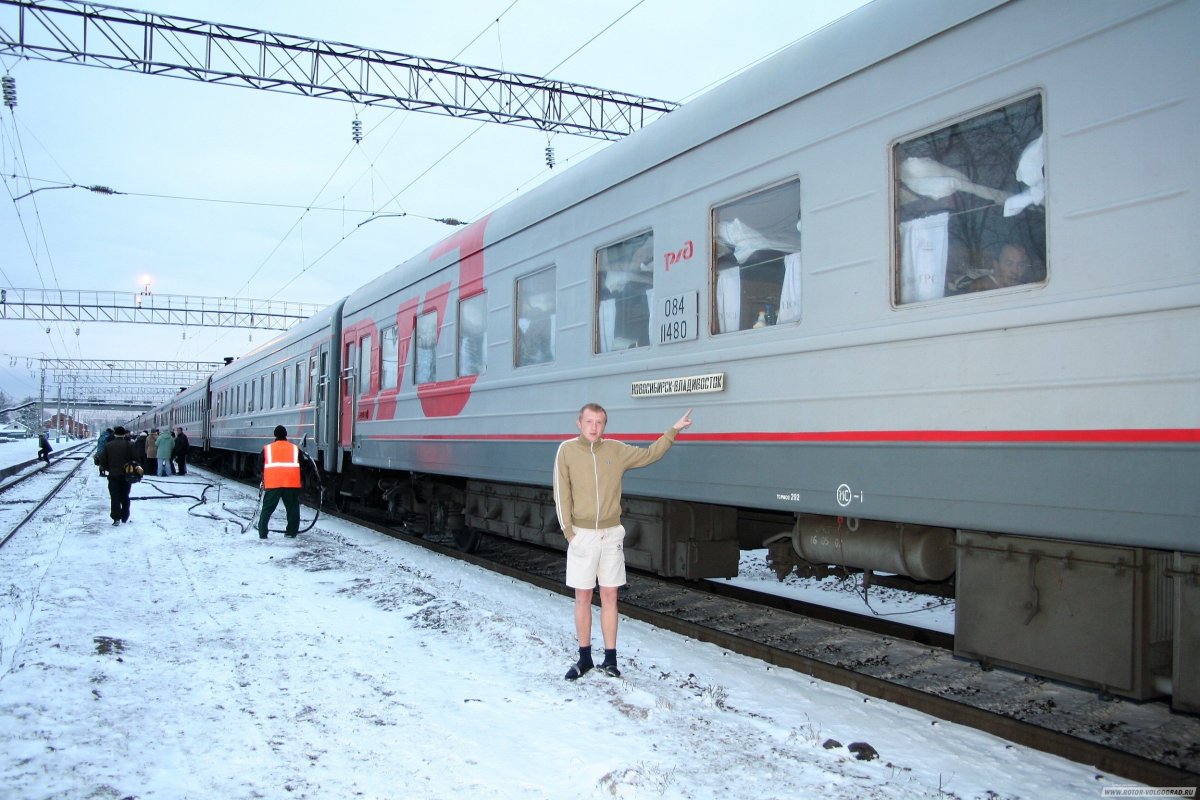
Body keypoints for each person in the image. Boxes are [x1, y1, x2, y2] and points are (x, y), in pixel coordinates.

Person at [553, 403, 693, 680]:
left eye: (600, 422)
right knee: (582, 597)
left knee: (610, 597)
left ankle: (611, 660)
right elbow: (561, 492)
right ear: (578, 423)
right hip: (583, 535)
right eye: (589, 421)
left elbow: (650, 454)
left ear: (605, 426)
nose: (594, 427)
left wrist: (672, 431)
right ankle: (584, 659)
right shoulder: (566, 450)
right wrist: (569, 532)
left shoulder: (616, 450)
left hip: (611, 535)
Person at [258, 425, 302, 540]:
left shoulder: (267, 449)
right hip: (291, 484)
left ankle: (262, 533)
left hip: (273, 484)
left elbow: (259, 466)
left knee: (267, 509)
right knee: (292, 509)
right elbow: (303, 465)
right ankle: (291, 533)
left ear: (275, 435)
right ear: (286, 435)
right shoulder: (294, 448)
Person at [101, 426, 135, 525]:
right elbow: (136, 460)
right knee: (125, 495)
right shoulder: (130, 445)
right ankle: (125, 516)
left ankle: (116, 518)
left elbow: (103, 462)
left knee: (114, 496)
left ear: (115, 434)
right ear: (124, 434)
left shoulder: (108, 446)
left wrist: (109, 469)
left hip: (113, 475)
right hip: (127, 475)